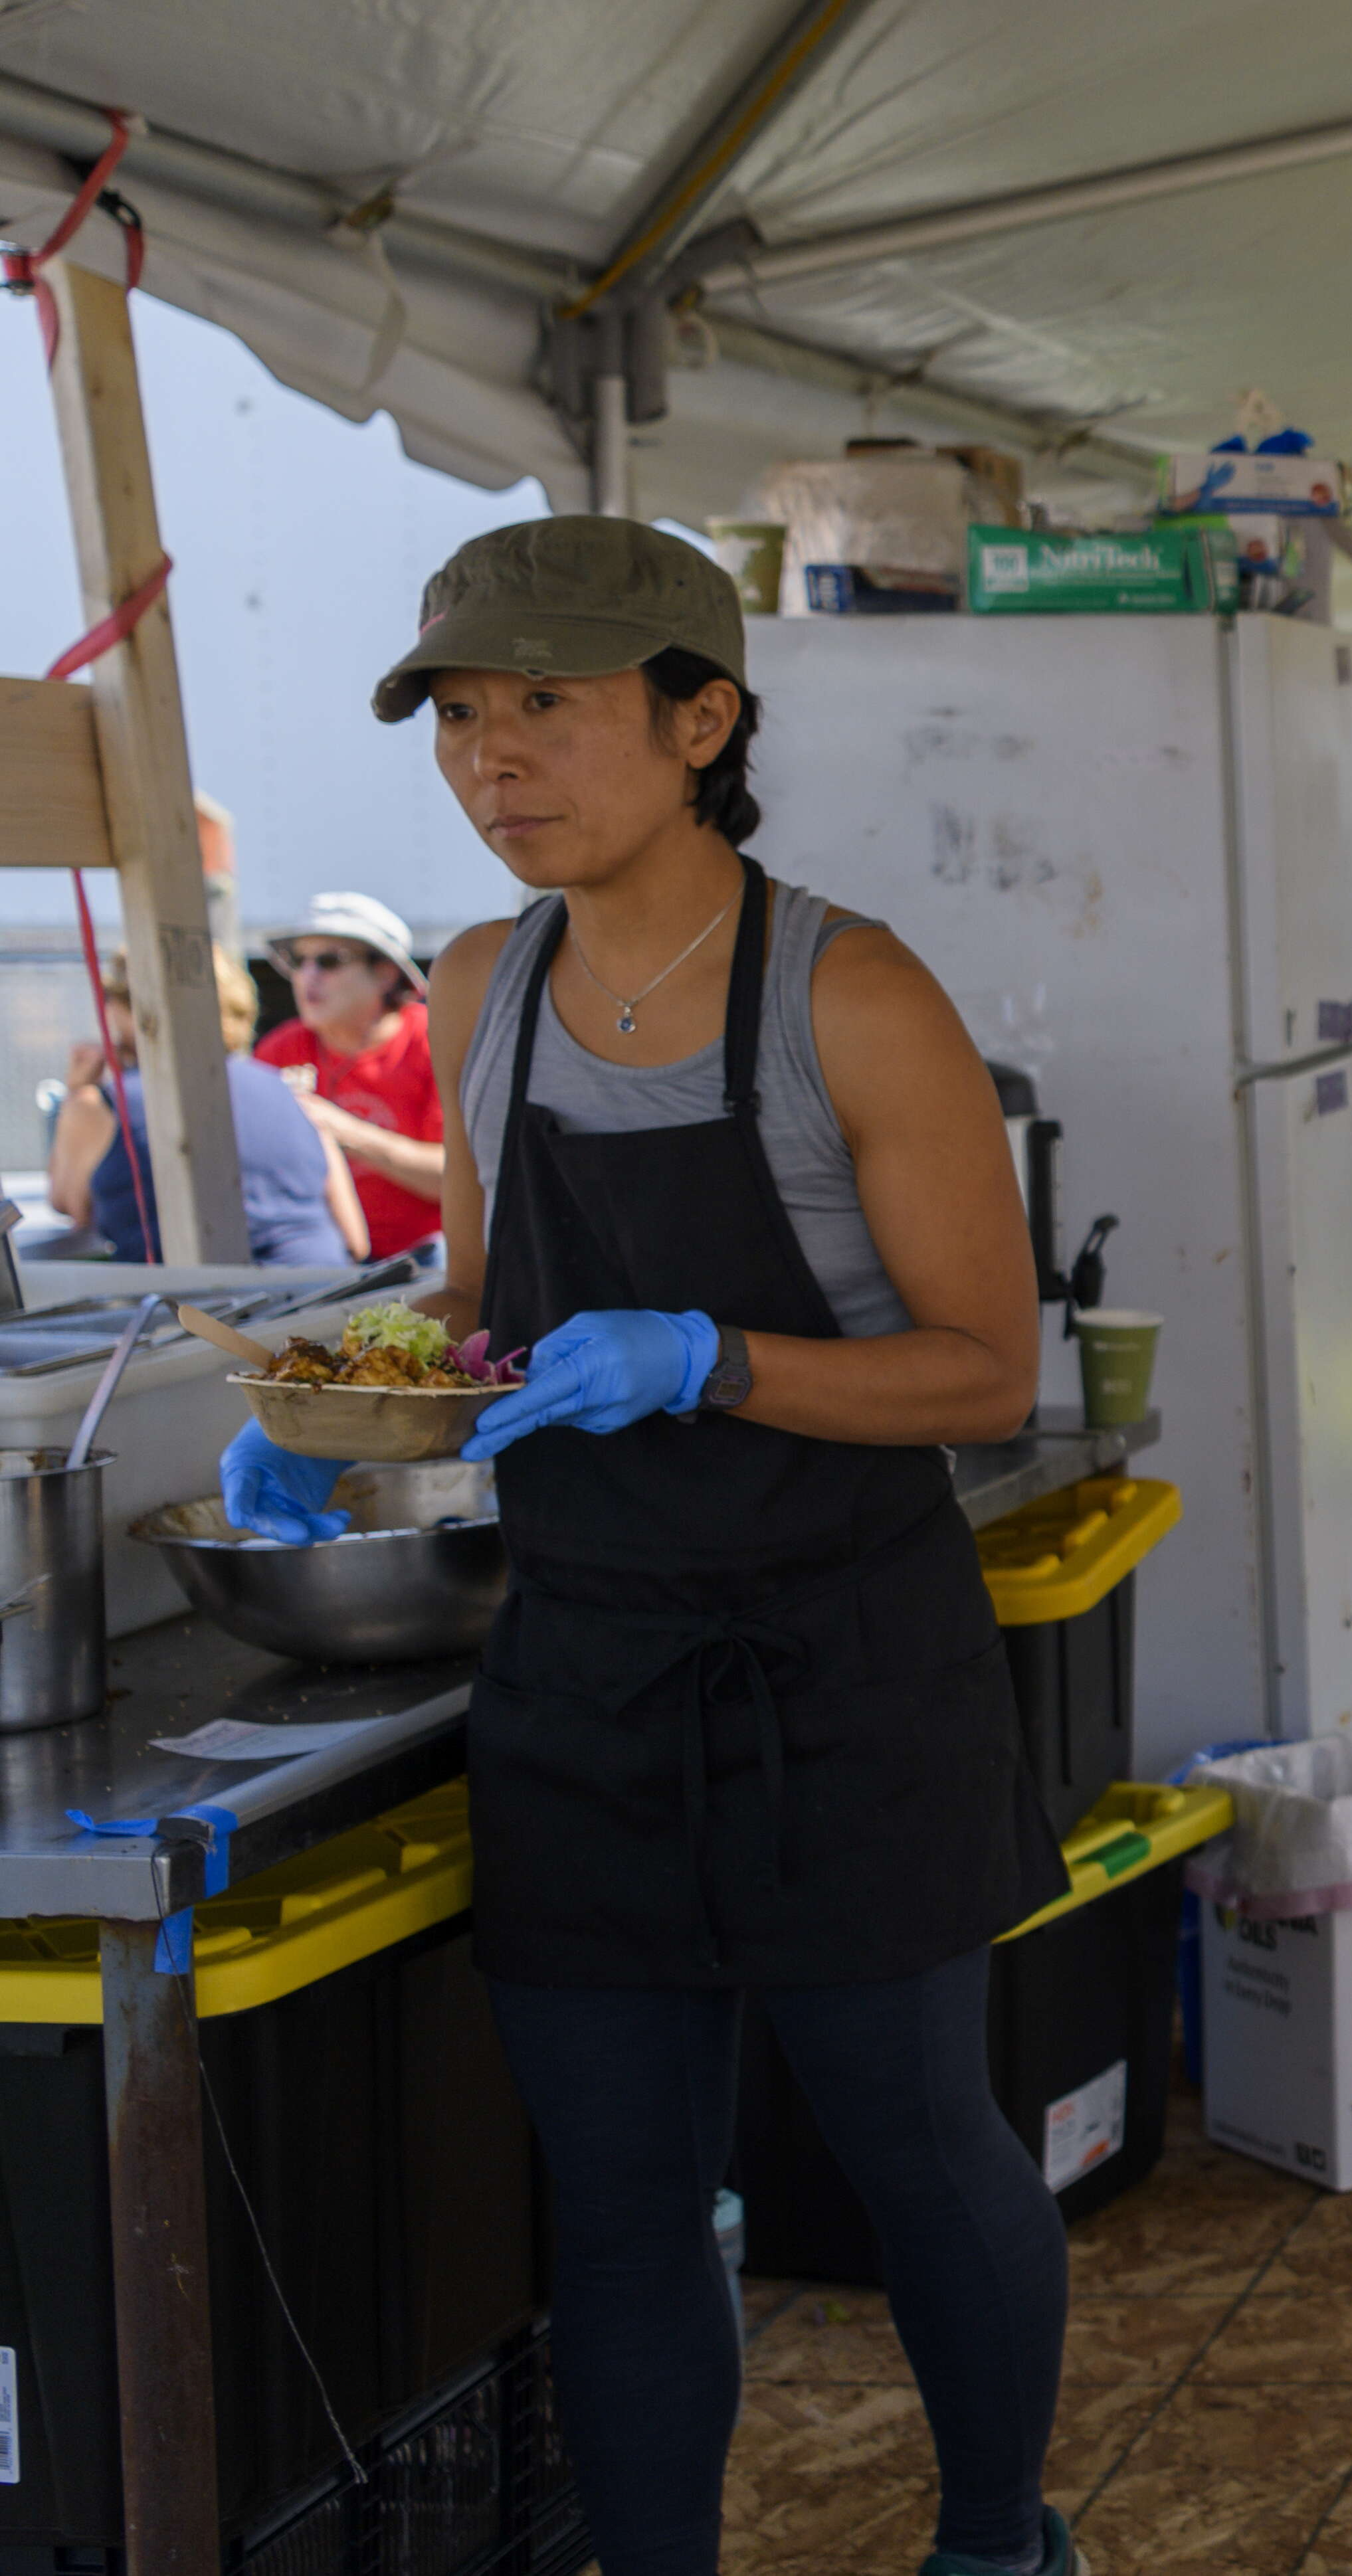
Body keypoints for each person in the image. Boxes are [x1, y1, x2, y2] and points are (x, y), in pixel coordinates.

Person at [215, 517, 1077, 2576]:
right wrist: (351, 1412)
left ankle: (991, 2546)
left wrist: (710, 1355)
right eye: (461, 716)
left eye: (549, 708)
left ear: (703, 720)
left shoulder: (850, 994)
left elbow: (981, 1375)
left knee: (917, 2151)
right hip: (586, 1666)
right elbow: (497, 1304)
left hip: (845, 1665)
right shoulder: (483, 981)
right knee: (614, 2199)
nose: (493, 762)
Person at [46, 944, 363, 1266]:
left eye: (109, 999)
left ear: (133, 1010)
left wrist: (77, 1091)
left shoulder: (102, 1104)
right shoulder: (291, 1093)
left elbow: (69, 1204)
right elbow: (356, 1241)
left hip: (196, 1307)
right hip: (322, 1289)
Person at [258, 890, 450, 1257]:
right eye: (300, 960)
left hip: (425, 1258)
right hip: (321, 1259)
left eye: (329, 961)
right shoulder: (278, 1050)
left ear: (384, 973)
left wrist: (342, 1130)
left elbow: (455, 1180)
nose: (307, 976)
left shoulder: (436, 1042)